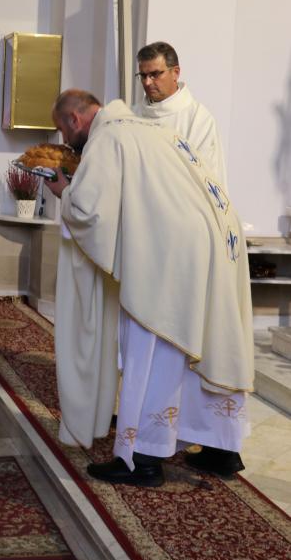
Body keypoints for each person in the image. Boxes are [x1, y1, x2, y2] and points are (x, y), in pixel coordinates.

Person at [46, 90, 254, 487]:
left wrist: (64, 193)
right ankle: (221, 448)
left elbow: (89, 211)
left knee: (154, 348)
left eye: (63, 131)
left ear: (74, 119)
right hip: (217, 243)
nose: (66, 141)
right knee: (207, 341)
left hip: (169, 259)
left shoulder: (109, 137)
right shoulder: (156, 130)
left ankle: (141, 459)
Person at [132, 41, 227, 186]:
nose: (147, 82)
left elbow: (205, 182)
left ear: (175, 73)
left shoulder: (198, 120)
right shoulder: (132, 116)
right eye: (143, 75)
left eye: (154, 74)